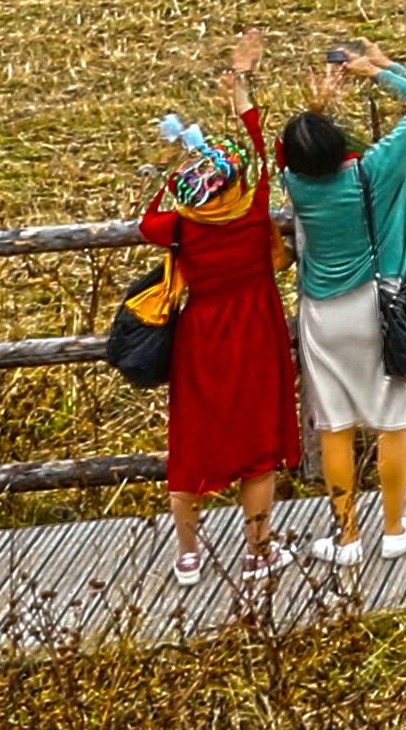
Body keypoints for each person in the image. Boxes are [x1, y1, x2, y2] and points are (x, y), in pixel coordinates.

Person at [138, 32, 302, 585]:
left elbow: (148, 222)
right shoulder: (253, 212)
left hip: (201, 336)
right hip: (256, 330)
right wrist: (242, 89)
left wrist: (174, 178)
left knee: (193, 442)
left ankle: (188, 555)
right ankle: (259, 551)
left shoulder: (181, 226)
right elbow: (261, 150)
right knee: (256, 448)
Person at [280, 36, 406, 564]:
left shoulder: (296, 184)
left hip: (320, 315)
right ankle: (395, 527)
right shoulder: (374, 172)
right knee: (391, 421)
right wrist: (378, 70)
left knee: (335, 426)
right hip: (377, 307)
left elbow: (297, 148)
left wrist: (319, 103)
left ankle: (347, 535)